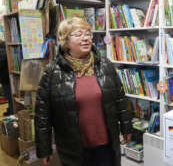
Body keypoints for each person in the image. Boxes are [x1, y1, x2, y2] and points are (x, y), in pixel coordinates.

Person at [35, 17, 133, 166]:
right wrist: (44, 148)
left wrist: (126, 128)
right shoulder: (52, 72)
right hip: (72, 148)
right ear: (65, 41)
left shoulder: (104, 65)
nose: (86, 38)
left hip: (105, 144)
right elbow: (43, 115)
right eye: (78, 34)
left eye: (88, 33)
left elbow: (120, 99)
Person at [0, 39, 13, 116]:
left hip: (6, 78)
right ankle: (10, 109)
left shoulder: (2, 49)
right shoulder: (5, 46)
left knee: (9, 95)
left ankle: (12, 110)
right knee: (8, 95)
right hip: (7, 77)